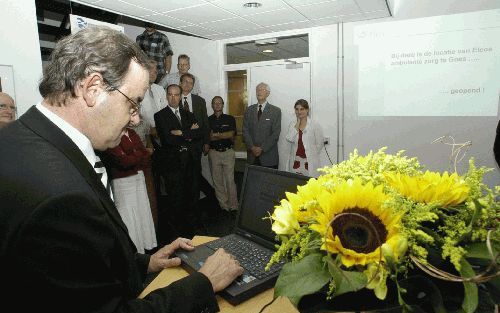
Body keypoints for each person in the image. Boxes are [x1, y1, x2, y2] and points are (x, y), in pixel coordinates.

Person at [0, 26, 242, 313]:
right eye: (133, 103)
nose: (135, 117)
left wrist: (143, 262)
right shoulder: (61, 198)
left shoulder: (17, 139)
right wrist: (204, 282)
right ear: (92, 89)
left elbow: (78, 269)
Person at [154, 84, 203, 243]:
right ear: (166, 96)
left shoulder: (188, 114)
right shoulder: (160, 116)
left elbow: (199, 134)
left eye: (176, 95)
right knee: (176, 200)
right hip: (173, 167)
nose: (173, 98)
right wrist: (189, 134)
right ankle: (178, 235)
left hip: (190, 164)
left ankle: (192, 232)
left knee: (191, 197)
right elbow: (168, 140)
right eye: (170, 95)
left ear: (181, 96)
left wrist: (181, 133)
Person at [104, 121, 157, 254]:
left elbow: (146, 156)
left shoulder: (132, 132)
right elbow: (123, 162)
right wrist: (137, 153)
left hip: (138, 177)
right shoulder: (112, 133)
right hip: (122, 182)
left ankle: (147, 246)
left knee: (142, 211)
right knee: (128, 216)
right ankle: (135, 251)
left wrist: (132, 153)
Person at [208, 96, 238, 211]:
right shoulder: (208, 120)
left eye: (219, 103)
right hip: (214, 153)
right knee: (217, 181)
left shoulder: (230, 119)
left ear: (223, 105)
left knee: (230, 180)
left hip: (228, 153)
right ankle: (224, 205)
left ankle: (234, 205)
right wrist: (223, 135)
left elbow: (231, 135)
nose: (217, 105)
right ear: (212, 105)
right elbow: (208, 137)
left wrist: (215, 135)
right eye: (215, 103)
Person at [242, 82, 281, 168]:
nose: (259, 92)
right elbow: (245, 131)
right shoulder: (249, 110)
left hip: (269, 157)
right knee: (253, 181)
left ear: (268, 93)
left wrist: (262, 148)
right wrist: (252, 148)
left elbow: (275, 134)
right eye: (257, 90)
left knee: (269, 181)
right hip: (252, 157)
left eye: (262, 89)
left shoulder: (276, 111)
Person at [285, 99, 324, 177]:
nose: (299, 112)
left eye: (302, 109)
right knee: (295, 184)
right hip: (296, 161)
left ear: (307, 110)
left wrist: (311, 154)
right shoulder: (292, 124)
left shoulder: (314, 125)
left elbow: (319, 144)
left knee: (309, 185)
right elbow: (289, 138)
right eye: (297, 109)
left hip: (309, 162)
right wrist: (298, 123)